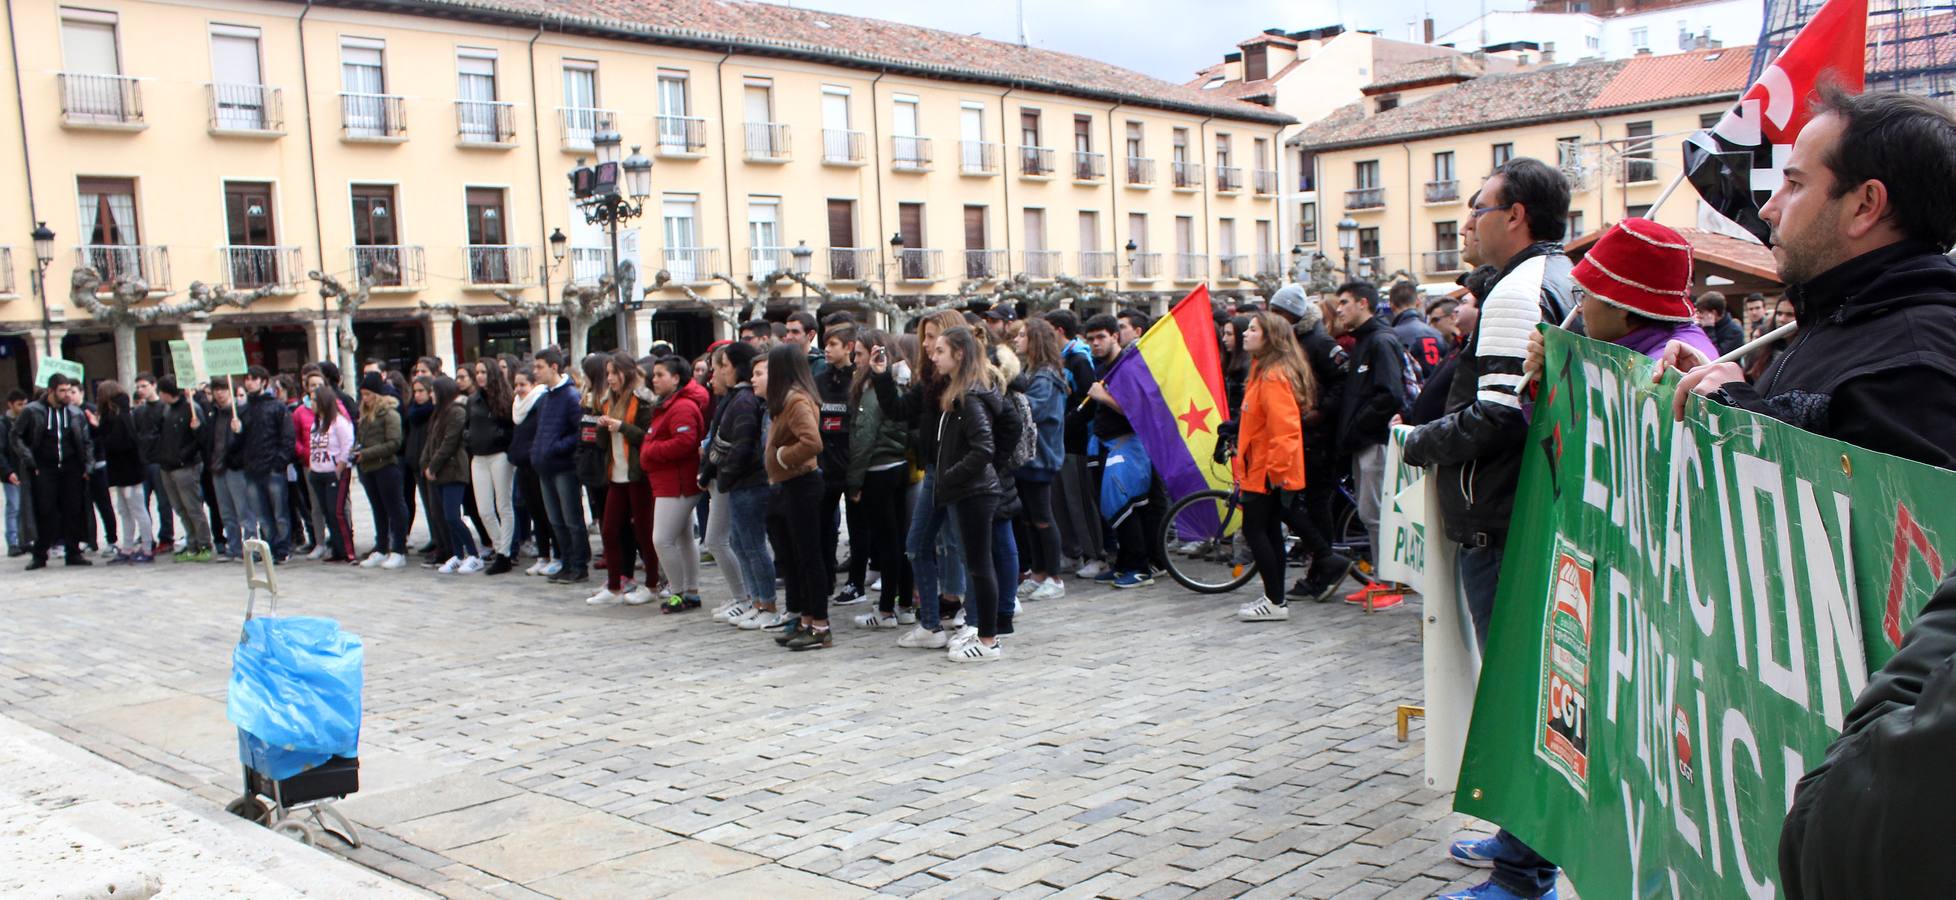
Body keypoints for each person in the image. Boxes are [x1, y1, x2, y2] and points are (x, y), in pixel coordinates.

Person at [1402, 156, 1575, 900]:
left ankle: (1522, 872)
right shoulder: (1545, 278)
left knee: (1520, 701)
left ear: (1518, 217)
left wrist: (1418, 440)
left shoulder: (1516, 288)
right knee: (1527, 698)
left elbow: (1500, 415)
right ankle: (1517, 839)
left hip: (1503, 526)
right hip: (1517, 520)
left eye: (1478, 207)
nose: (1466, 222)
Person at [1670, 86, 1956, 471]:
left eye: (1795, 184)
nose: (1769, 208)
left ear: (1865, 205)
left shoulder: (1909, 369)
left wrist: (1736, 410)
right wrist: (1716, 385)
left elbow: (1884, 521)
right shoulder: (1849, 315)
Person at [878, 310, 974, 648]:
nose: (927, 344)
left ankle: (974, 623)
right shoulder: (930, 379)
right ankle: (931, 625)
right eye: (925, 337)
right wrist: (880, 377)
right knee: (918, 545)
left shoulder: (971, 384)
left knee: (964, 549)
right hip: (934, 471)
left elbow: (997, 434)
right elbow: (900, 411)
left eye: (933, 336)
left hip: (960, 475)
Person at [917, 327, 1007, 661]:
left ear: (959, 354)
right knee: (976, 564)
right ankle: (985, 633)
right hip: (968, 489)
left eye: (940, 350)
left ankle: (988, 639)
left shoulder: (970, 395)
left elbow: (985, 446)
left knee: (980, 566)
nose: (934, 356)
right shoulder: (958, 391)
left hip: (974, 492)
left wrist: (952, 477)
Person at [1230, 310, 1318, 622]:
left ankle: (1275, 600)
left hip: (1266, 470)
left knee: (1257, 530)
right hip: (1261, 467)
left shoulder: (1272, 376)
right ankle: (1274, 597)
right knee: (1266, 531)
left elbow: (1285, 429)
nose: (1245, 334)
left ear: (1270, 338)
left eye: (1253, 330)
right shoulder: (1262, 372)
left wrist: (1278, 472)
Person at [1329, 281, 1406, 588]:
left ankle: (1385, 581)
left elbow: (1389, 394)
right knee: (1369, 511)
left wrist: (1359, 425)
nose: (1339, 309)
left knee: (1375, 512)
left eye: (1344, 302)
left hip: (1374, 441)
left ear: (1363, 303)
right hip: (1363, 440)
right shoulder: (1364, 340)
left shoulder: (1380, 341)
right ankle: (1381, 579)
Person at [845, 330, 918, 628]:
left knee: (889, 542)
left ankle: (887, 608)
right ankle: (904, 605)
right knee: (899, 539)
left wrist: (853, 482)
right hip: (896, 466)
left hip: (879, 470)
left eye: (860, 354)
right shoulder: (891, 384)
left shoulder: (875, 389)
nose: (856, 360)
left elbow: (864, 438)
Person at [762, 343, 830, 651]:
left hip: (802, 483)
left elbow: (812, 442)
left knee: (810, 558)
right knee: (798, 558)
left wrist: (783, 456)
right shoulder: (787, 399)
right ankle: (805, 619)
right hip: (791, 485)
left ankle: (820, 626)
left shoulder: (797, 400)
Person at [707, 343, 779, 628]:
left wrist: (724, 473)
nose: (719, 372)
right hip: (740, 482)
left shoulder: (746, 401)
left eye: (723, 366)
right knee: (739, 541)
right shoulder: (739, 399)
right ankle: (756, 600)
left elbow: (742, 447)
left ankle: (766, 602)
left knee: (752, 544)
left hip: (750, 482)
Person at [586, 352, 657, 606]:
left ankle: (652, 583)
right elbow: (601, 443)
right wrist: (603, 426)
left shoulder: (643, 399)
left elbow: (646, 436)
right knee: (609, 529)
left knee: (644, 531)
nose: (609, 378)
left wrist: (621, 426)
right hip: (616, 474)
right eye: (607, 373)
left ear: (625, 373)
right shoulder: (606, 400)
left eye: (613, 373)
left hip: (638, 475)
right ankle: (614, 585)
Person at [641, 355, 709, 613]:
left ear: (676, 378)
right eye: (654, 374)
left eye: (660, 375)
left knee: (662, 539)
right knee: (682, 539)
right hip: (669, 480)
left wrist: (650, 450)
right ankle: (690, 591)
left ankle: (678, 591)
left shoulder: (681, 407)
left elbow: (685, 443)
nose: (654, 379)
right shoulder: (670, 404)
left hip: (677, 482)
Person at [1011, 319, 1069, 604]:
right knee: (1030, 519)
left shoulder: (1045, 376)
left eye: (1022, 335)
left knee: (1042, 517)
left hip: (1040, 455)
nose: (1017, 339)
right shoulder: (1031, 371)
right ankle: (1039, 572)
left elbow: (1034, 409)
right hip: (1028, 457)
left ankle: (1055, 578)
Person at [13, 375, 93, 568]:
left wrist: (87, 465)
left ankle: (73, 552)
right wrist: (30, 461)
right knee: (45, 511)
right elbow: (16, 436)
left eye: (68, 390)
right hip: (44, 468)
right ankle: (40, 554)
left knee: (73, 509)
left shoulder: (75, 413)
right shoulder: (32, 411)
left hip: (71, 467)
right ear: (51, 391)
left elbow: (86, 440)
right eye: (62, 391)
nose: (67, 394)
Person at [814, 324, 864, 606]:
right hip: (826, 464)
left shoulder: (858, 379)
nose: (828, 350)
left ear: (848, 347)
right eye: (826, 344)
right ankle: (826, 577)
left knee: (858, 528)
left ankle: (856, 582)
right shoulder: (820, 380)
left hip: (853, 463)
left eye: (833, 344)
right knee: (823, 525)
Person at [531, 348, 590, 584]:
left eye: (539, 367)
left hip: (564, 466)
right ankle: (565, 561)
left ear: (554, 367)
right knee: (555, 519)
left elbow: (579, 432)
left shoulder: (570, 396)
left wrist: (555, 447)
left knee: (571, 518)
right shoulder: (545, 398)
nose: (536, 372)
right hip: (545, 466)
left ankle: (578, 564)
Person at [421, 375, 481, 573]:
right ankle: (457, 554)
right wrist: (426, 464)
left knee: (452, 515)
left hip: (454, 470)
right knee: (446, 517)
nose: (431, 395)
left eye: (433, 391)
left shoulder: (456, 412)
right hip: (438, 473)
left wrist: (433, 466)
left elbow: (449, 443)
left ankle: (473, 554)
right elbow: (430, 442)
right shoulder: (438, 414)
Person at [236, 367, 295, 561]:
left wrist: (278, 463)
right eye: (247, 379)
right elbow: (239, 443)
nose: (249, 382)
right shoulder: (243, 410)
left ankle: (283, 549)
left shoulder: (277, 407)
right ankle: (269, 547)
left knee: (279, 513)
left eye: (254, 379)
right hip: (252, 469)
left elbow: (287, 438)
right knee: (262, 515)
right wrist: (237, 431)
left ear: (263, 382)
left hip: (272, 468)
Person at [465, 359, 518, 574]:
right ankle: (499, 547)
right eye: (477, 372)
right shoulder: (472, 400)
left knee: (503, 505)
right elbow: (466, 426)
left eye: (483, 372)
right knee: (484, 510)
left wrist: (497, 436)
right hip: (478, 457)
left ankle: (504, 553)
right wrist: (469, 438)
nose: (479, 376)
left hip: (499, 455)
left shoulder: (506, 398)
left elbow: (511, 427)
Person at [153, 377, 213, 562]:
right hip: (168, 466)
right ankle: (192, 543)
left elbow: (202, 439)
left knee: (193, 507)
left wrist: (195, 433)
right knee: (180, 508)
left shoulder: (191, 408)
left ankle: (204, 544)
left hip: (186, 466)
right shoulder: (165, 410)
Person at [354, 372, 409, 569]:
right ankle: (381, 547)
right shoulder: (364, 416)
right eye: (363, 395)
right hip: (369, 468)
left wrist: (367, 453)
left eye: (368, 394)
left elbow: (394, 443)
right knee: (378, 509)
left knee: (394, 508)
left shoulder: (390, 414)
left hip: (386, 467)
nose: (365, 399)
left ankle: (399, 550)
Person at [94, 381, 153, 564]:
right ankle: (127, 547)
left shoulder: (121, 416)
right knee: (124, 510)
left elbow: (120, 442)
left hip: (129, 471)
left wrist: (102, 434)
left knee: (137, 509)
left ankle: (147, 547)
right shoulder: (115, 415)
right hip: (122, 471)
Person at [509, 367, 557, 576]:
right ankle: (542, 555)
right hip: (522, 465)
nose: (519, 389)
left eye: (523, 385)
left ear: (532, 385)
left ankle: (557, 555)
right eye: (516, 385)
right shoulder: (516, 406)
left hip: (537, 464)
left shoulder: (540, 401)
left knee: (547, 512)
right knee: (535, 512)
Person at [304, 382, 356, 562]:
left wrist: (339, 468)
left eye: (314, 401)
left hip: (334, 473)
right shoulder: (316, 423)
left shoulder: (339, 422)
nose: (311, 404)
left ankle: (348, 551)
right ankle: (336, 549)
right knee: (327, 512)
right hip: (318, 473)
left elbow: (347, 446)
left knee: (337, 512)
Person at [130, 372, 176, 554]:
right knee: (142, 503)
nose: (141, 390)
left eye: (144, 386)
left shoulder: (165, 408)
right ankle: (147, 536)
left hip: (160, 461)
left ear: (153, 385)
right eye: (138, 387)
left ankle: (167, 536)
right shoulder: (138, 411)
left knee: (164, 502)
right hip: (143, 460)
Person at [205, 379, 248, 563]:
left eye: (223, 389)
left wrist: (239, 432)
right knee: (226, 512)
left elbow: (246, 441)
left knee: (244, 511)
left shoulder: (240, 413)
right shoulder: (213, 414)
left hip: (235, 466)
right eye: (217, 390)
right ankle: (234, 546)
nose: (220, 393)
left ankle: (250, 547)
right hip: (217, 466)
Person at [1387, 280, 1448, 379]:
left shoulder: (1391, 336)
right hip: (1437, 390)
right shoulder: (1436, 334)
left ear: (1391, 304)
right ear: (1418, 302)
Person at [1, 389, 24, 556]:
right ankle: (13, 541)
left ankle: (24, 539)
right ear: (10, 404)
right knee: (13, 506)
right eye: (19, 404)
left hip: (25, 470)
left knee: (24, 507)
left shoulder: (26, 420)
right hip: (11, 472)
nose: (23, 407)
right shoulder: (3, 424)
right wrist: (7, 471)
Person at [1693, 291, 1746, 357]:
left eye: (1702, 312)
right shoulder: (1702, 326)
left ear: (1713, 313)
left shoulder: (1735, 332)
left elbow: (1716, 355)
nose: (1700, 315)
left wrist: (1709, 329)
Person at [784, 311, 825, 375]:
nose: (788, 337)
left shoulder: (820, 365)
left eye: (795, 332)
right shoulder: (781, 361)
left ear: (811, 335)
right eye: (787, 331)